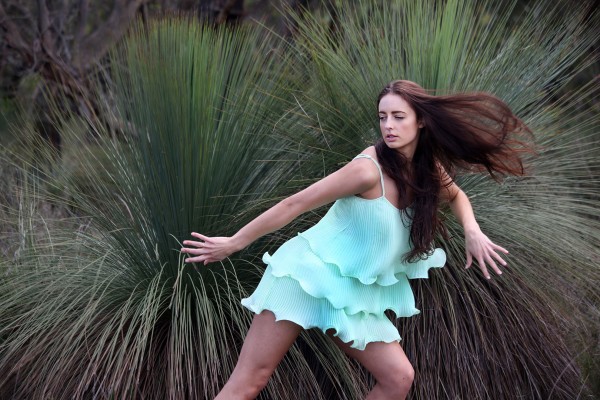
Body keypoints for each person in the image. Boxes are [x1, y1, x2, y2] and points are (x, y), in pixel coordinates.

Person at [181, 80, 530, 400]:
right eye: (382, 117)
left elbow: (457, 196)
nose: (388, 126)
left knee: (398, 378)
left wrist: (472, 230)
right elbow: (295, 203)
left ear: (421, 121)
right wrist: (234, 242)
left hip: (352, 293)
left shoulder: (426, 169)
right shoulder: (367, 170)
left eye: (398, 117)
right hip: (305, 274)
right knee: (250, 382)